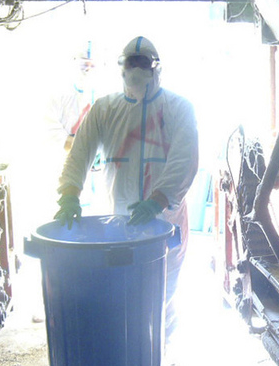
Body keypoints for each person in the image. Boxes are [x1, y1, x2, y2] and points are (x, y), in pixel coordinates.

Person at [54, 36, 198, 338]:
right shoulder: (104, 109)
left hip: (165, 222)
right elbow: (80, 153)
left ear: (155, 68)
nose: (136, 68)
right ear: (121, 68)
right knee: (124, 299)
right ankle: (131, 359)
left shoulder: (178, 108)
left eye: (142, 62)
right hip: (119, 222)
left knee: (162, 297)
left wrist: (157, 201)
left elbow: (185, 159)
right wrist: (69, 194)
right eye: (130, 63)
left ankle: (156, 360)